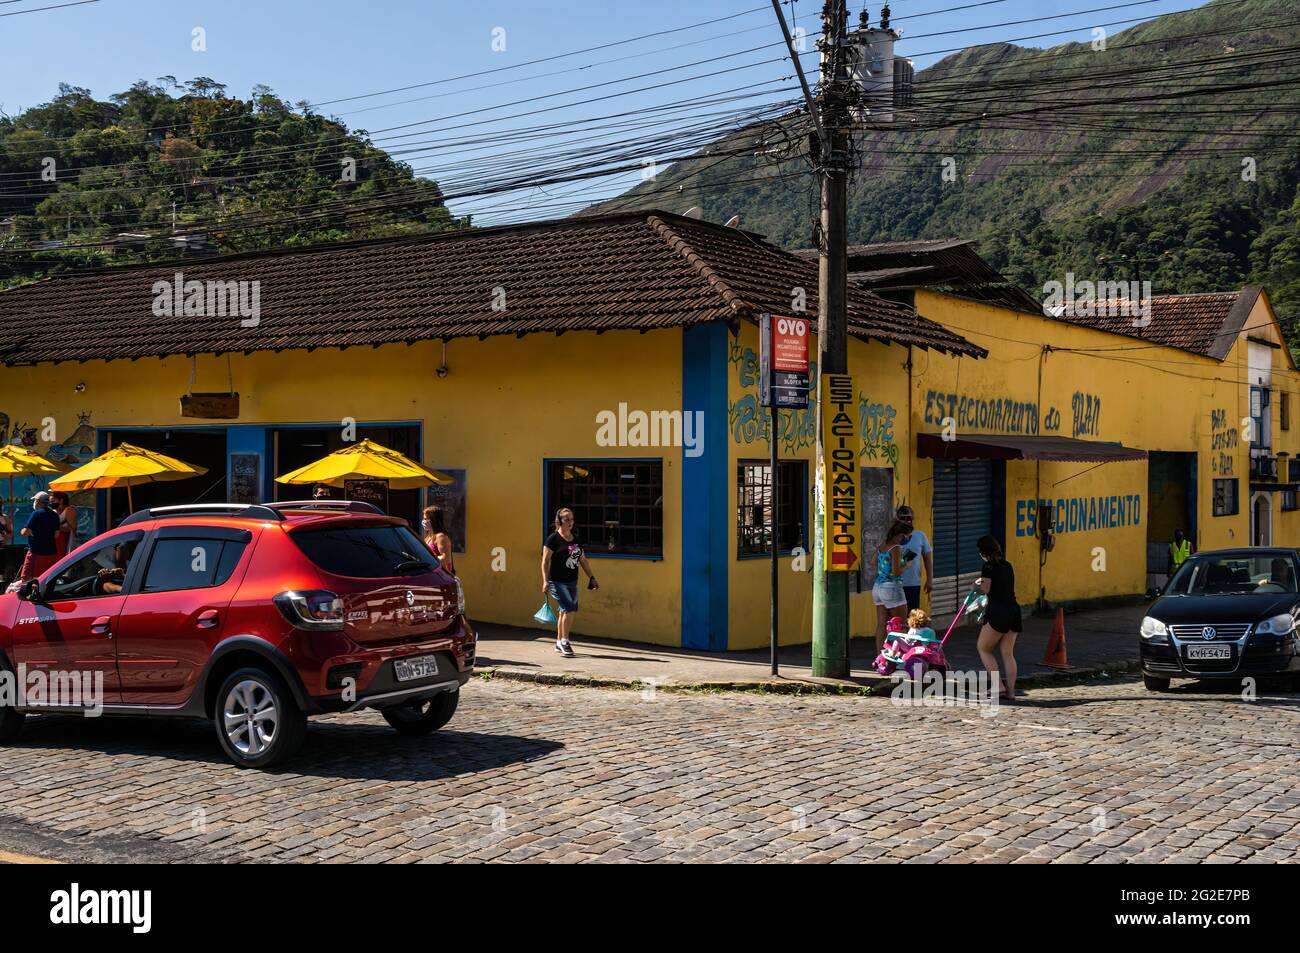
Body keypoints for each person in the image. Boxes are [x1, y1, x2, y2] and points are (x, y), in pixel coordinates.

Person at [540, 508, 598, 658]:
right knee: (569, 609)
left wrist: (591, 577)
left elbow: (582, 559)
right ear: (559, 521)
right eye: (567, 520)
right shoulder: (552, 539)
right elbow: (545, 561)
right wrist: (545, 581)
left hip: (572, 581)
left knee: (564, 611)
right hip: (556, 581)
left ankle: (559, 642)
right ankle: (565, 641)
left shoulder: (576, 539)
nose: (570, 523)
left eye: (572, 519)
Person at [974, 534, 1021, 703]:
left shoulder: (988, 566)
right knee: (1007, 653)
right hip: (1013, 610)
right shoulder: (1007, 565)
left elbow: (985, 590)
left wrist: (975, 585)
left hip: (998, 611)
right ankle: (1011, 692)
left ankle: (998, 686)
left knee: (983, 648)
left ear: (983, 552)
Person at [871, 521, 911, 652]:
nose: (907, 539)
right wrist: (906, 565)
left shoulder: (883, 544)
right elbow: (896, 571)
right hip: (891, 587)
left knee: (882, 624)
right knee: (901, 624)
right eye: (907, 536)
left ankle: (879, 656)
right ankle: (900, 656)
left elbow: (873, 562)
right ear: (900, 535)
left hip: (877, 587)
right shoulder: (896, 548)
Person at [895, 505, 933, 612]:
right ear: (897, 519)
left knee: (912, 616)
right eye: (903, 518)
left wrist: (929, 579)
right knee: (896, 618)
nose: (907, 521)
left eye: (909, 518)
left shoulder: (920, 536)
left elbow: (927, 559)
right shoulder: (893, 537)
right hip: (894, 584)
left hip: (913, 583)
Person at [19, 491, 60, 581]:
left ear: (38, 501)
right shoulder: (55, 515)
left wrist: (22, 530)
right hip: (51, 552)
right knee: (46, 579)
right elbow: (56, 535)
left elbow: (25, 532)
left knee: (26, 579)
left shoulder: (36, 514)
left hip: (36, 552)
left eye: (35, 501)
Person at [422, 504, 455, 575]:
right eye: (423, 519)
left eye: (425, 519)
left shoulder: (441, 537)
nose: (423, 521)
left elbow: (445, 560)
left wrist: (426, 558)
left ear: (433, 520)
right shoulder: (428, 537)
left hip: (441, 576)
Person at [50, 490, 77, 559]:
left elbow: (73, 528)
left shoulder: (68, 510)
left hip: (65, 541)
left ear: (61, 500)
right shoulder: (53, 511)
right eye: (50, 501)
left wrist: (57, 527)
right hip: (54, 542)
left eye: (53, 501)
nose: (51, 503)